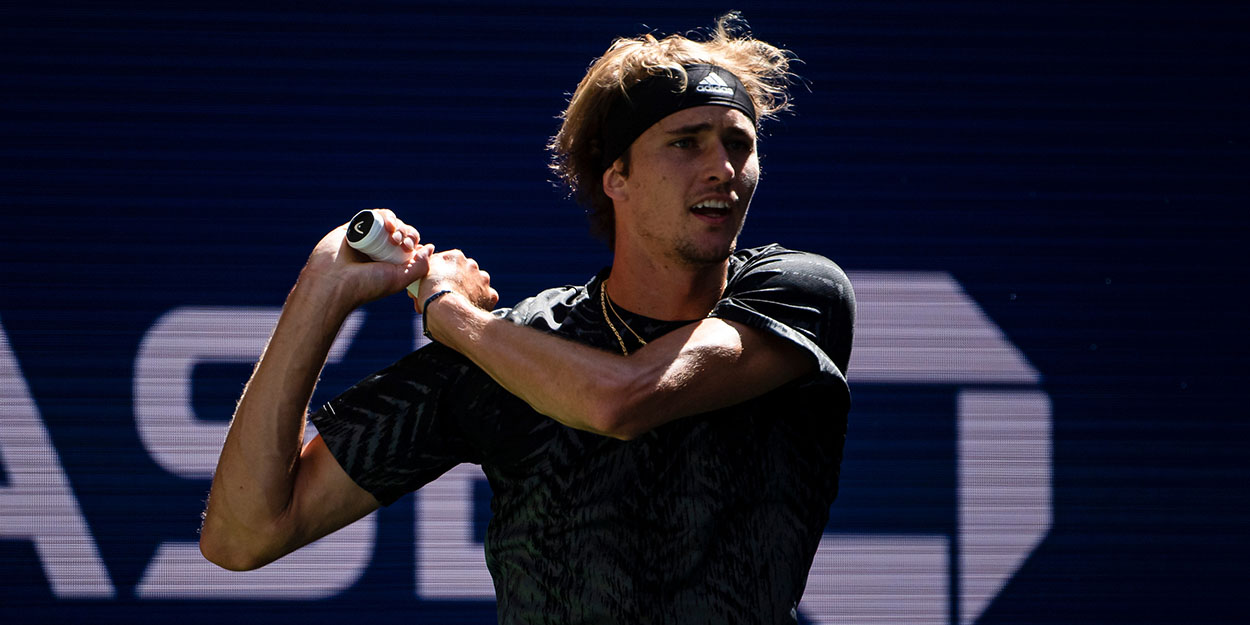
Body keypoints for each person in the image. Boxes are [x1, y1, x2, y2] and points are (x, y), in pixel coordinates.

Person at [200, 13, 855, 624]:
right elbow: (243, 534)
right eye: (686, 143)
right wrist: (322, 289)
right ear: (615, 175)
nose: (724, 170)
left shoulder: (797, 290)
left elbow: (619, 399)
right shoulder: (518, 350)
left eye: (739, 144)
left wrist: (445, 309)